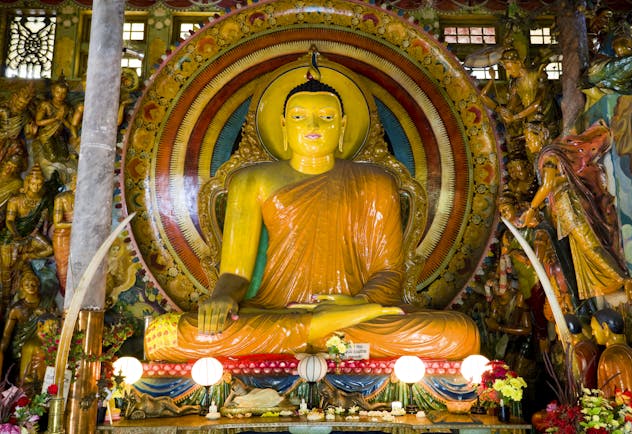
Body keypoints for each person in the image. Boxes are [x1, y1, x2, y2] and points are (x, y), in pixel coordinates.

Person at [145, 59, 480, 362]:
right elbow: (236, 273)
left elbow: (388, 272)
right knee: (166, 336)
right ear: (284, 125)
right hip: (274, 312)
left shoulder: (375, 181)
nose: (313, 125)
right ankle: (318, 329)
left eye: (327, 117)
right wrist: (221, 298)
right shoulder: (251, 181)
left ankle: (317, 329)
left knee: (460, 334)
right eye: (300, 117)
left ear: (344, 126)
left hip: (353, 317)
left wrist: (358, 304)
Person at [521, 122, 632, 307]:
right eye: (527, 140)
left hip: (568, 204)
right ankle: (612, 282)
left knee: (589, 244)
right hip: (563, 205)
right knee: (582, 248)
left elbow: (547, 185)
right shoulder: (551, 154)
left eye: (531, 137)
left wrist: (531, 210)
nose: (529, 143)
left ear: (541, 136)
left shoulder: (550, 155)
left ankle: (624, 280)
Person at [0, 165, 53, 315]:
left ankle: (27, 256)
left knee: (49, 249)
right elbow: (9, 221)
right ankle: (5, 301)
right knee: (7, 270)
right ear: (28, 182)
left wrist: (46, 210)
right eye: (33, 183)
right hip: (12, 236)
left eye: (39, 184)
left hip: (31, 235)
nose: (36, 187)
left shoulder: (42, 200)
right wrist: (17, 235)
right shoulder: (16, 200)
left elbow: (46, 219)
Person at [591, 308, 632, 434]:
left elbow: (624, 402)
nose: (592, 333)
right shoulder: (629, 351)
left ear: (605, 328)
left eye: (594, 329)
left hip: (629, 427)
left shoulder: (611, 356)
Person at [33, 75, 81, 182]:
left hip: (59, 135)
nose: (60, 95)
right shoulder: (46, 105)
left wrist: (63, 119)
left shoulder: (67, 107)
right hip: (46, 134)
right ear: (53, 91)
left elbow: (70, 125)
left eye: (63, 93)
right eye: (58, 92)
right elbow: (38, 122)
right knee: (53, 157)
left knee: (65, 156)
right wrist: (55, 118)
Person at [0, 269, 44, 377]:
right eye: (27, 284)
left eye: (33, 282)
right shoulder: (16, 309)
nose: (31, 286)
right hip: (20, 346)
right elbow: (6, 335)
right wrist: (2, 352)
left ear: (38, 284)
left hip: (40, 345)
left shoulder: (47, 303)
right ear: (22, 287)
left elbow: (54, 323)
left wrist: (46, 314)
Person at [0, 83, 35, 172]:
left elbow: (28, 134)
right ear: (14, 97)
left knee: (18, 150)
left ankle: (9, 171)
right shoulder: (3, 108)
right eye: (20, 102)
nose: (21, 105)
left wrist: (31, 132)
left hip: (12, 141)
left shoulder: (25, 115)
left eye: (24, 104)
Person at [52, 173, 75, 295]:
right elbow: (58, 223)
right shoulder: (61, 198)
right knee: (63, 267)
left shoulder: (88, 199)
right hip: (63, 235)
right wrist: (77, 223)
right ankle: (67, 296)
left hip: (82, 235)